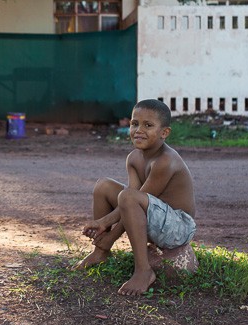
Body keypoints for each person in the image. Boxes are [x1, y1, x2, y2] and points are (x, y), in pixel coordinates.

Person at [72, 99, 196, 296]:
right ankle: (101, 252)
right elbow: (127, 203)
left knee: (129, 197)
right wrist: (107, 233)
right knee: (104, 185)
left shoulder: (166, 161)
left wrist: (107, 228)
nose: (139, 130)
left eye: (148, 125)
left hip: (177, 227)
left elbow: (134, 200)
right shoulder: (134, 158)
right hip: (151, 218)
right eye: (134, 123)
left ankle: (143, 271)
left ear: (164, 133)